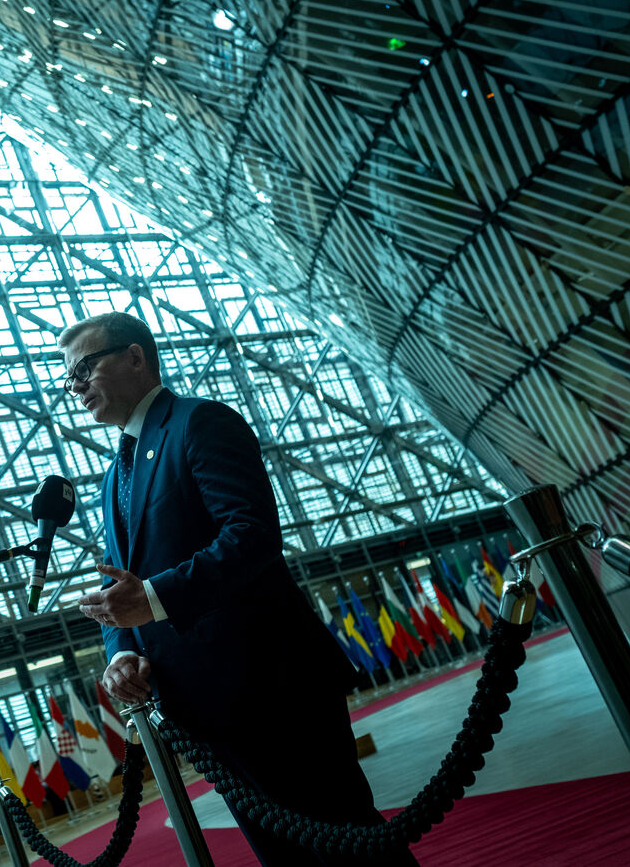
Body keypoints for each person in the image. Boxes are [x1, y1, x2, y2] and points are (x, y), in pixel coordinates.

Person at [63, 311, 417, 867]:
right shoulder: (114, 477)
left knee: (346, 842)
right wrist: (122, 651)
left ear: (135, 357)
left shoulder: (200, 423)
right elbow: (121, 584)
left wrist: (151, 599)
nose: (75, 387)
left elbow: (252, 535)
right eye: (68, 378)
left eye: (84, 368)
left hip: (272, 687)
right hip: (201, 706)